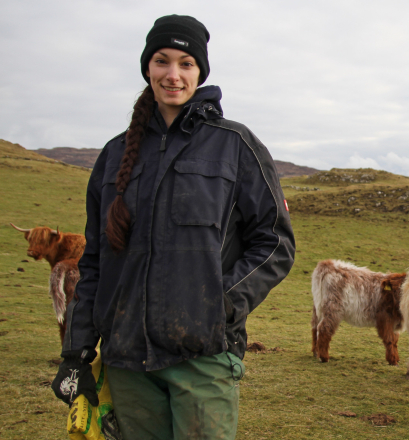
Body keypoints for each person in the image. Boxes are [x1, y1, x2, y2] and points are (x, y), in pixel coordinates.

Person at [51, 14, 296, 440]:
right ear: (147, 67)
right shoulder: (113, 156)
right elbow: (94, 263)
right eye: (162, 61)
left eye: (186, 63)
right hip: (126, 362)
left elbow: (275, 242)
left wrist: (218, 305)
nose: (173, 74)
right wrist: (76, 351)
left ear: (200, 72)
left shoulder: (234, 145)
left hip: (202, 358)